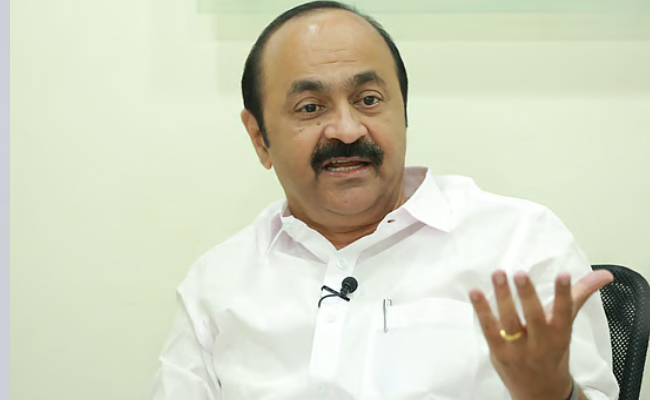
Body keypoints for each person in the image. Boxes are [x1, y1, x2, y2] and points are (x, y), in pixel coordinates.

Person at [149, 2, 619, 399]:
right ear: (259, 138)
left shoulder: (519, 242)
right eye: (310, 108)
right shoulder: (217, 283)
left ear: (404, 113)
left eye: (369, 99)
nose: (346, 130)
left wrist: (552, 393)